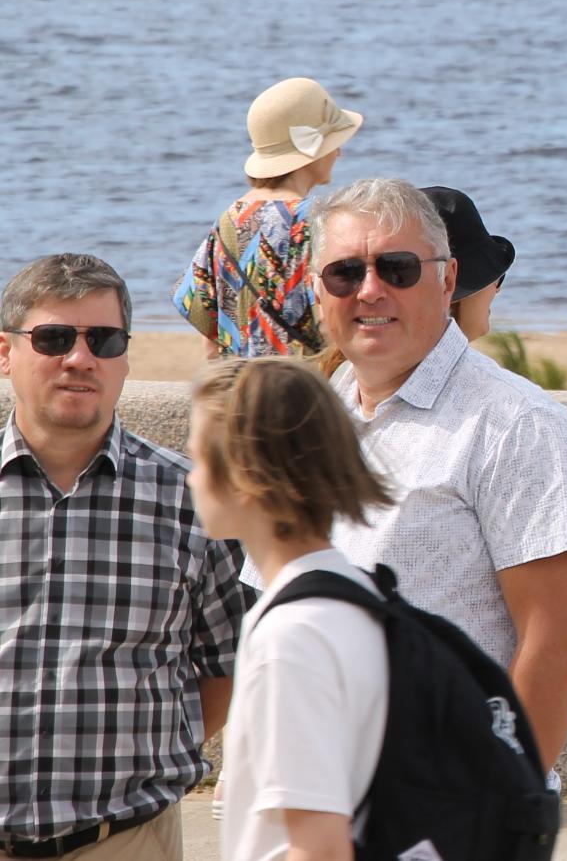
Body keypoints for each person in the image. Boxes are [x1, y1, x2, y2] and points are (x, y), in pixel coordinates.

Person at [312, 176, 567, 776]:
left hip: (442, 808)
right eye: (345, 273)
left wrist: (501, 810)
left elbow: (557, 643)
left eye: (397, 268)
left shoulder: (520, 427)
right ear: (316, 290)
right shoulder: (315, 417)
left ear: (447, 280)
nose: (370, 290)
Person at [0, 254, 253, 860]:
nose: (80, 359)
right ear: (5, 353)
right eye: (54, 338)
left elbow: (228, 665)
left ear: (125, 357)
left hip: (128, 840)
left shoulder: (194, 502)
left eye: (104, 339)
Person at [185, 358, 392, 861]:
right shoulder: (353, 595)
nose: (189, 479)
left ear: (243, 478)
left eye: (196, 460)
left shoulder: (291, 636)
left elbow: (317, 846)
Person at [174, 77, 363, 359]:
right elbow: (331, 322)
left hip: (242, 390)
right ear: (310, 152)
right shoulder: (317, 221)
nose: (338, 152)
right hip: (303, 389)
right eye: (332, 143)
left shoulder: (228, 219)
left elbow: (209, 336)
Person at [423, 186, 516, 340]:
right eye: (497, 277)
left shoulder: (384, 359)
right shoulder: (474, 365)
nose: (497, 289)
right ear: (449, 281)